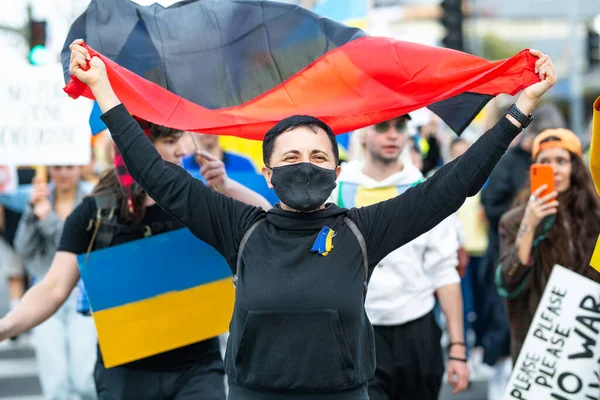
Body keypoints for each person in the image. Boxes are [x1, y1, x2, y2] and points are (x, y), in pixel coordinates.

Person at [44, 40, 555, 400]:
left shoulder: (361, 231)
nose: (304, 165)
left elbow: (451, 186)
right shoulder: (239, 228)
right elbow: (156, 173)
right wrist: (105, 92)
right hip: (251, 394)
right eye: (289, 159)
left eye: (316, 155)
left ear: (336, 169)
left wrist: (519, 111)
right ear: (267, 173)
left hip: (345, 394)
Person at [0, 121, 271, 399]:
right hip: (124, 374)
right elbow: (54, 287)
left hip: (198, 370)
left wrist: (225, 186)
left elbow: (269, 225)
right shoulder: (94, 212)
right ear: (136, 150)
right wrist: (6, 327)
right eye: (169, 142)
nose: (182, 150)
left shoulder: (197, 200)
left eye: (180, 139)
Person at [330, 115, 469, 399]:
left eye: (400, 127)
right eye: (382, 127)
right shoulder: (337, 189)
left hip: (418, 330)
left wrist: (458, 348)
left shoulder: (425, 190)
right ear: (363, 133)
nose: (392, 135)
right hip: (356, 331)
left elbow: (445, 272)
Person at [479, 102, 567, 399]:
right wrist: (525, 217)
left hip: (553, 266)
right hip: (509, 252)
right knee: (504, 325)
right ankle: (500, 379)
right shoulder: (509, 163)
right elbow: (490, 207)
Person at [496, 128, 600, 362]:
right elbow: (506, 283)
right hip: (540, 345)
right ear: (534, 169)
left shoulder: (595, 215)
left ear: (575, 167)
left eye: (561, 161)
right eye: (545, 162)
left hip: (587, 336)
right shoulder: (514, 220)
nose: (553, 170)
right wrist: (530, 226)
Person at [14, 166, 97, 400]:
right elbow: (23, 248)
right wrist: (32, 212)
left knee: (85, 379)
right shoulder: (40, 196)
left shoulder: (92, 198)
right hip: (44, 292)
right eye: (57, 166)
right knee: (55, 384)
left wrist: (48, 219)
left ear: (80, 167)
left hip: (83, 293)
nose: (63, 173)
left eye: (69, 166)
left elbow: (78, 244)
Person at [181, 132, 256, 173]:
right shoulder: (182, 166)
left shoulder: (243, 164)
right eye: (202, 126)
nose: (208, 131)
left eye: (212, 126)